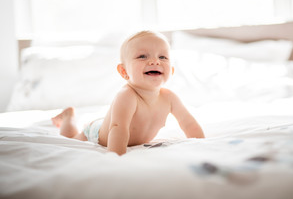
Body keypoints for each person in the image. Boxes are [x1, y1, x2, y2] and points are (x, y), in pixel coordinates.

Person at [52, 30, 205, 155]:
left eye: (163, 57)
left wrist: (203, 146)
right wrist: (117, 159)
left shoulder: (170, 97)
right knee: (71, 138)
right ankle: (68, 116)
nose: (155, 61)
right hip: (98, 134)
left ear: (171, 71)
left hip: (111, 121)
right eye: (142, 56)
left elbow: (189, 123)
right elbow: (118, 128)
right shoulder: (127, 95)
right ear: (124, 71)